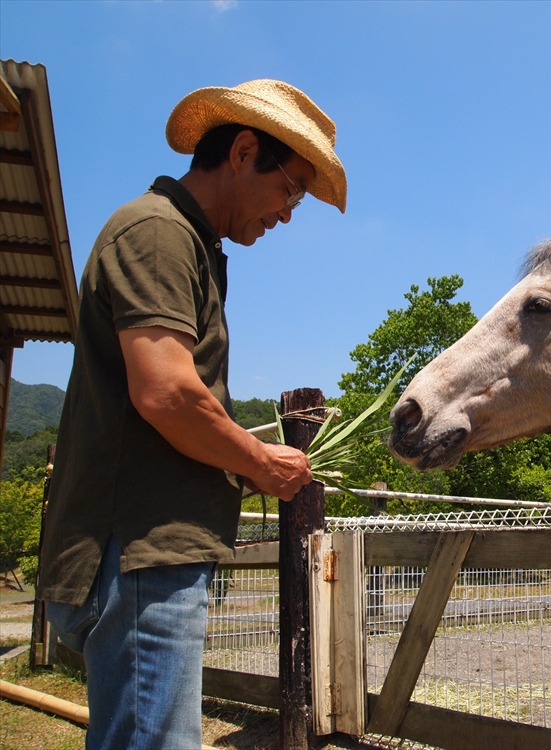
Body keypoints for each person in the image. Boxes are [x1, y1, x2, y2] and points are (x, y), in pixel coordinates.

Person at [36, 79, 347, 749]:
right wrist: (260, 462)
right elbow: (169, 395)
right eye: (292, 189)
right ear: (243, 152)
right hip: (140, 555)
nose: (288, 214)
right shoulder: (158, 233)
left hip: (143, 555)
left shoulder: (186, 242)